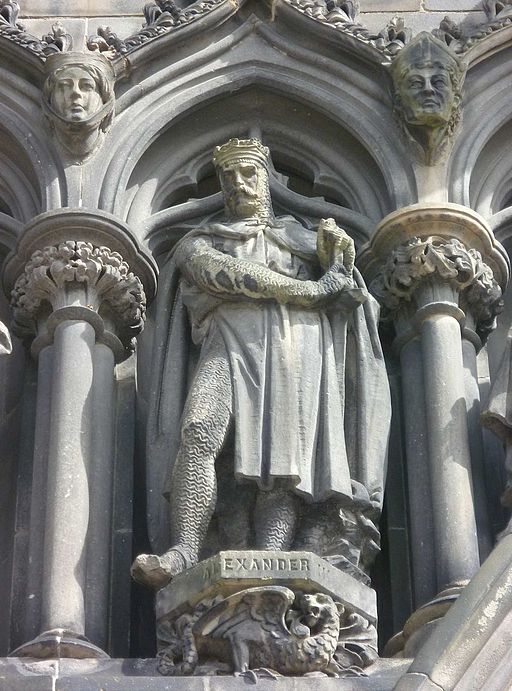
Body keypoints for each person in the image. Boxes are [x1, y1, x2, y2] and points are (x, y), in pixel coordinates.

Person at [132, 138, 391, 589]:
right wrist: (310, 290)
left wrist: (340, 256)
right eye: (229, 177)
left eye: (248, 173)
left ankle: (274, 559)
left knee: (285, 461)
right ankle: (187, 548)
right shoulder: (199, 242)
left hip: (297, 352)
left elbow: (351, 299)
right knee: (198, 431)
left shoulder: (302, 240)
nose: (238, 184)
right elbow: (226, 275)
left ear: (267, 180)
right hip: (229, 343)